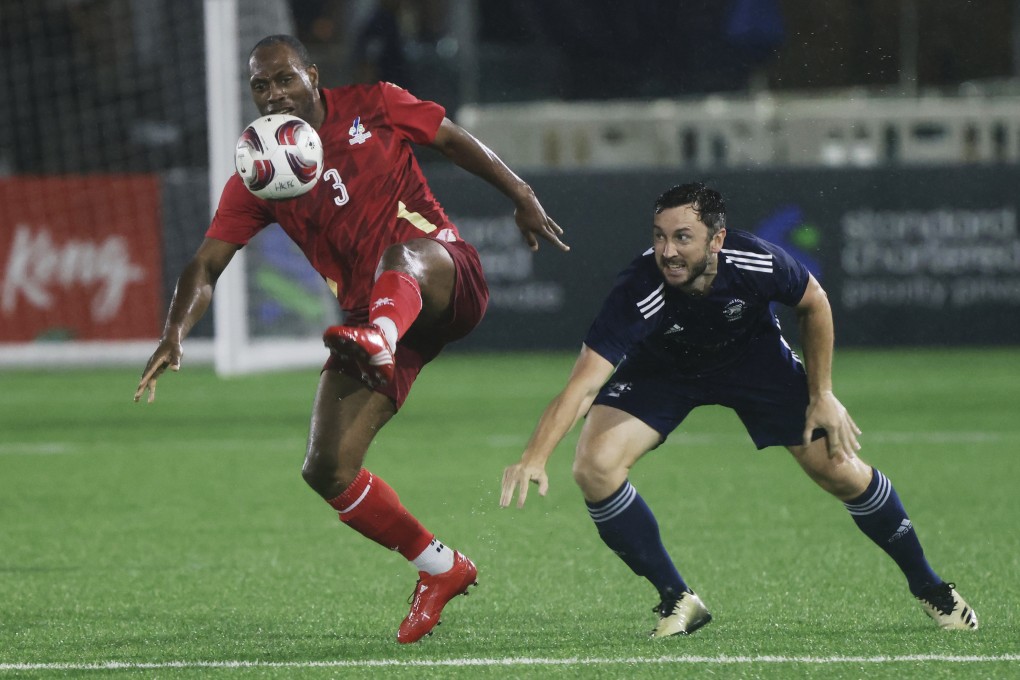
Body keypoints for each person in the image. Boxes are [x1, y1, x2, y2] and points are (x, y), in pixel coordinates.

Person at [134, 33, 567, 644]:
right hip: (372, 322)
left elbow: (451, 138)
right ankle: (440, 567)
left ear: (312, 76)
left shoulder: (375, 103)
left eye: (284, 78)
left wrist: (521, 193)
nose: (274, 93)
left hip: (443, 273)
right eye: (261, 85)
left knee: (403, 255)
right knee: (326, 468)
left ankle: (380, 334)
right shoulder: (260, 172)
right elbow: (206, 264)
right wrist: (174, 330)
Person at [500, 182, 977, 637]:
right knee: (594, 467)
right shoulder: (638, 289)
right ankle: (677, 598)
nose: (668, 251)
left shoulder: (755, 260)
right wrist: (535, 455)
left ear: (717, 239)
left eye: (683, 237)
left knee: (840, 471)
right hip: (662, 373)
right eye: (660, 236)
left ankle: (931, 587)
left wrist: (822, 394)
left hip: (754, 361)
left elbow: (814, 301)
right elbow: (582, 385)